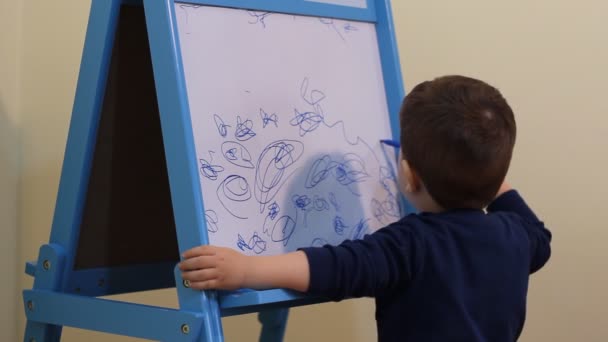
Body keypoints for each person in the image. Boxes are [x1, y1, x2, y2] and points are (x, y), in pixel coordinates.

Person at [179, 75, 552, 341]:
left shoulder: (410, 244)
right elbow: (540, 238)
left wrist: (249, 268)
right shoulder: (515, 236)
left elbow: (333, 266)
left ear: (409, 176)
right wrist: (484, 168)